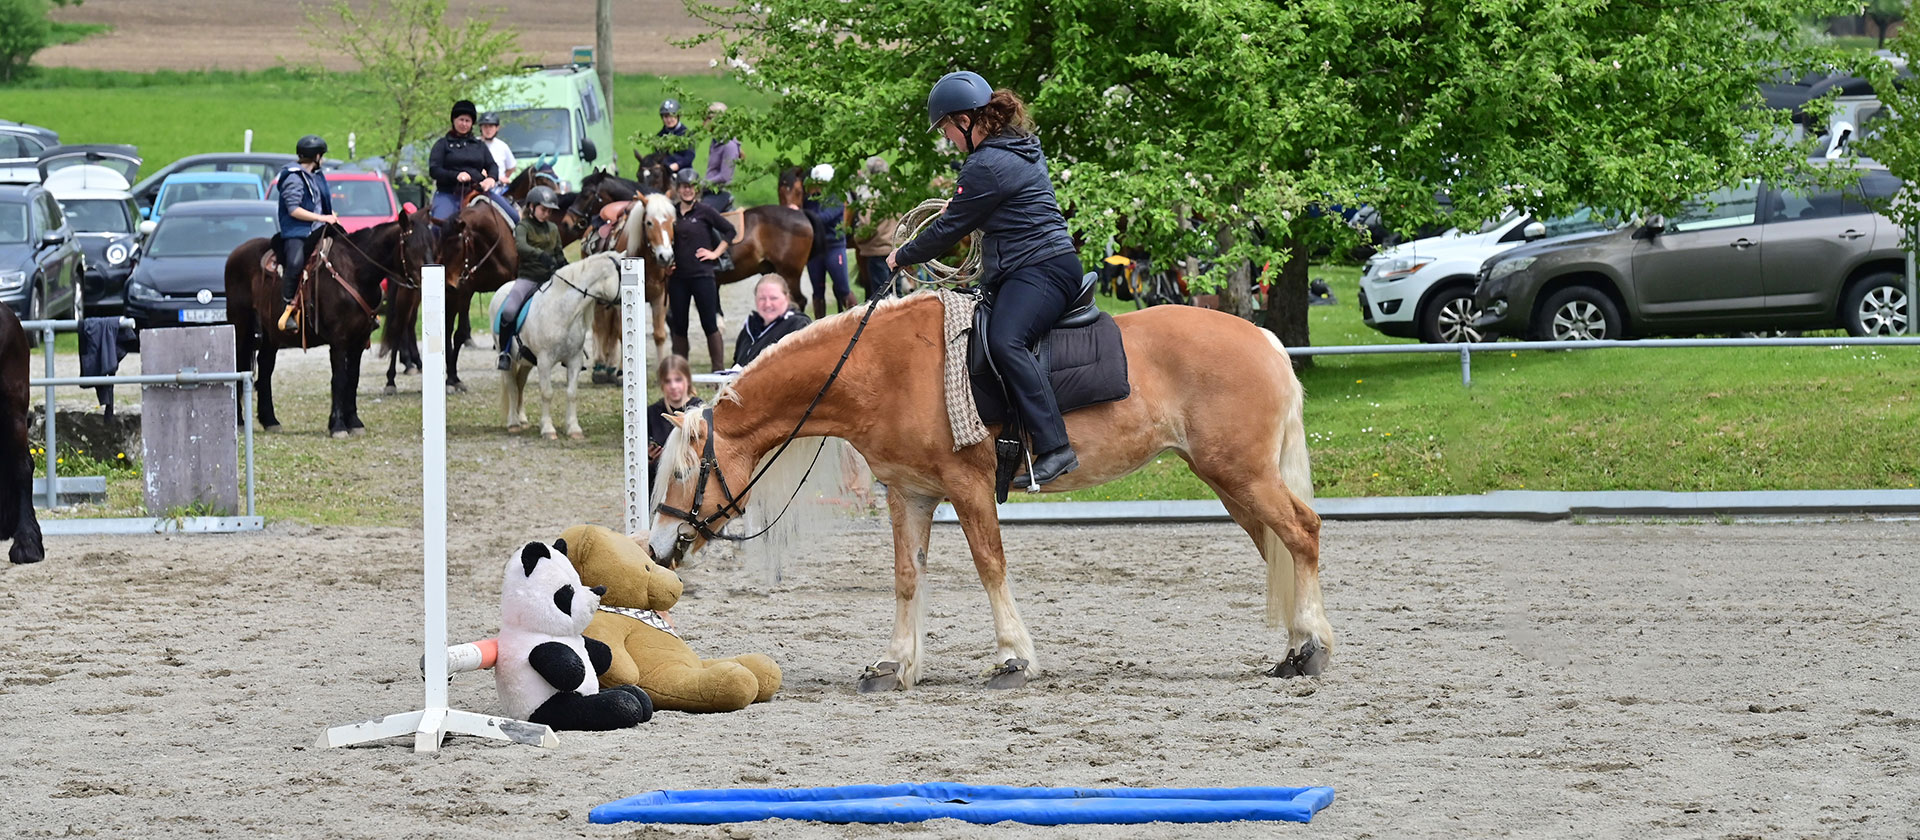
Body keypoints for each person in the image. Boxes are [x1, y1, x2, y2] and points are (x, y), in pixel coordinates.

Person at [888, 71, 1082, 487]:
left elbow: (948, 230)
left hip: (1041, 268)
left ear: (965, 120)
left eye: (945, 130)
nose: (947, 140)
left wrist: (901, 257)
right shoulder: (1015, 147)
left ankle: (1055, 446)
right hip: (1025, 266)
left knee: (1005, 340)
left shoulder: (986, 164)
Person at [665, 168, 737, 371]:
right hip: (678, 279)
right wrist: (667, 266)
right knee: (679, 326)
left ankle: (718, 372)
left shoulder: (705, 211)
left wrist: (715, 253)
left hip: (703, 277)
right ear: (678, 189)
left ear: (697, 190)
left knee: (709, 324)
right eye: (684, 187)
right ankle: (680, 373)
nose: (688, 191)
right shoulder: (671, 213)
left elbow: (730, 231)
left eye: (691, 187)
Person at [273, 134, 339, 332]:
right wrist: (322, 218)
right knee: (294, 263)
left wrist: (329, 216)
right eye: (322, 156)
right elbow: (294, 210)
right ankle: (288, 307)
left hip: (320, 229)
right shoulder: (293, 177)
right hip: (298, 232)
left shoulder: (316, 176)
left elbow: (320, 205)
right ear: (316, 156)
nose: (323, 160)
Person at [497, 186, 567, 369]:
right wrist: (540, 255)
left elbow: (558, 252)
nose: (546, 214)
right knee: (509, 311)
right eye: (543, 210)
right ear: (532, 206)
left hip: (550, 279)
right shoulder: (523, 226)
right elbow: (521, 246)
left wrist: (564, 264)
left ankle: (569, 350)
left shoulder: (552, 228)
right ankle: (504, 352)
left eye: (549, 211)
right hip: (528, 278)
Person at [427, 100, 500, 225]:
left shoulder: (479, 145)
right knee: (438, 227)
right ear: (454, 120)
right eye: (461, 120)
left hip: (477, 191)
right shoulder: (442, 144)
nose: (464, 124)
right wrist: (456, 175)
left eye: (468, 121)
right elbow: (434, 170)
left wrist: (491, 179)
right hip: (449, 193)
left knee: (513, 216)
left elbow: (492, 165)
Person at [646, 355, 704, 489]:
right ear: (661, 384)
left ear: (688, 381)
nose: (673, 386)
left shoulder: (700, 410)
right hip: (658, 487)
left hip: (692, 487)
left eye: (678, 380)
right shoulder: (651, 413)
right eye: (668, 381)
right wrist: (648, 459)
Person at [803, 163, 853, 319]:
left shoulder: (837, 197)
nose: (815, 187)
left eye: (819, 184)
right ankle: (819, 326)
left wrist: (800, 215)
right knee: (817, 292)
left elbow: (823, 218)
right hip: (816, 249)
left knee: (843, 288)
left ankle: (856, 321)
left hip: (834, 247)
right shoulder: (810, 199)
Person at [732, 275, 812, 369]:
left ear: (786, 298)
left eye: (773, 298)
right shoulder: (749, 327)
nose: (767, 304)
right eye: (762, 298)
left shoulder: (798, 326)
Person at [851, 156, 901, 300]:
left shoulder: (870, 196)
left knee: (882, 296)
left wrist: (857, 240)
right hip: (897, 248)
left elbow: (867, 228)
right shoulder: (898, 192)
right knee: (897, 294)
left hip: (878, 250)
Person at [477, 112, 521, 225]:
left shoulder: (502, 146)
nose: (488, 129)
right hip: (478, 187)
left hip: (499, 188)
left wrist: (503, 177)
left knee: (516, 215)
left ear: (497, 128)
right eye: (485, 126)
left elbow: (511, 166)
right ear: (480, 128)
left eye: (491, 126)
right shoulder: (474, 144)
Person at [702, 102, 742, 212]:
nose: (703, 123)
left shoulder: (729, 146)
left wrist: (703, 184)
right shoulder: (714, 142)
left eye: (707, 119)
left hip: (720, 194)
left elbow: (725, 177)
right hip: (709, 191)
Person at [658, 100, 695, 176]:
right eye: (666, 116)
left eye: (672, 116)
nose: (669, 120)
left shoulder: (687, 134)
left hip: (684, 171)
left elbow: (690, 156)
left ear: (678, 116)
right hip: (665, 172)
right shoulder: (659, 136)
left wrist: (677, 165)